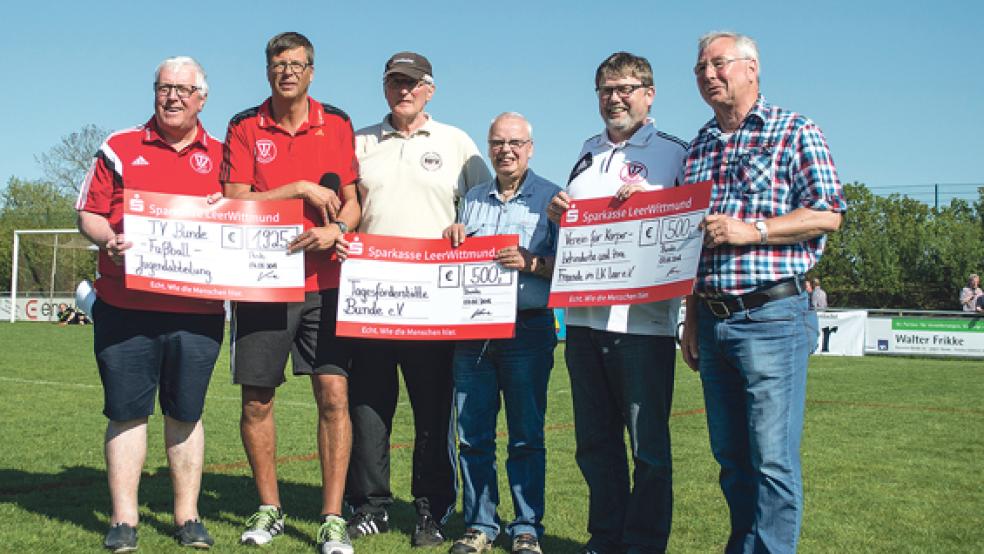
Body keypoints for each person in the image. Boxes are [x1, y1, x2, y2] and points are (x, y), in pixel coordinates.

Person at [680, 31, 847, 553]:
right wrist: (689, 314)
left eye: (718, 63)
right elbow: (691, 242)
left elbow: (828, 213)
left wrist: (752, 230)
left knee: (772, 459)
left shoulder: (795, 130)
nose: (708, 73)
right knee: (731, 459)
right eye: (700, 67)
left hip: (772, 314)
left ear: (752, 69)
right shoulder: (700, 144)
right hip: (711, 317)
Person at [76, 56, 224, 552]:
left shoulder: (225, 156)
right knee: (126, 412)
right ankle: (124, 520)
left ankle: (188, 517)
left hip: (198, 312)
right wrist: (108, 238)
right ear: (154, 91)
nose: (173, 97)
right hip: (125, 306)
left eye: (184, 89)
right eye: (165, 87)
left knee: (186, 413)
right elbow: (89, 214)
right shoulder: (118, 146)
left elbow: (247, 220)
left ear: (202, 97)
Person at [220, 32, 360, 554]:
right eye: (279, 64)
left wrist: (337, 232)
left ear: (312, 71)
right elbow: (235, 201)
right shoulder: (243, 125)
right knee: (257, 400)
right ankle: (270, 507)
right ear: (267, 70)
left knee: (334, 395)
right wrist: (299, 187)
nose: (288, 72)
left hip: (326, 284)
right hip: (262, 282)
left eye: (297, 64)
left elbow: (352, 201)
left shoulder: (339, 122)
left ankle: (331, 517)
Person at [345, 51, 490, 548]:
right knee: (368, 408)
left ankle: (431, 509)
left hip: (433, 305)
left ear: (430, 88)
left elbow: (486, 208)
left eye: (411, 83)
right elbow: (344, 208)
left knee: (432, 411)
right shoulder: (360, 141)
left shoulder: (457, 143)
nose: (402, 90)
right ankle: (370, 506)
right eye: (394, 82)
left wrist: (464, 228)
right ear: (384, 87)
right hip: (370, 300)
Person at [546, 52, 688, 554]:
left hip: (643, 326)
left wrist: (652, 200)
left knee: (647, 447)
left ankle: (645, 544)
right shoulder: (585, 153)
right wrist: (559, 212)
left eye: (627, 88)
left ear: (649, 94)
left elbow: (689, 231)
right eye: (606, 89)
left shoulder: (674, 153)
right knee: (595, 442)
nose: (615, 97)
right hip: (582, 323)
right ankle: (604, 538)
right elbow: (568, 235)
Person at [443, 113, 559, 554]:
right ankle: (479, 526)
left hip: (526, 331)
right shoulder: (472, 199)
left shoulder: (551, 198)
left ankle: (526, 527)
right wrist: (452, 235)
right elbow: (458, 259)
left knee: (526, 435)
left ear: (531, 147)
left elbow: (570, 268)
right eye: (497, 142)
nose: (505, 150)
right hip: (472, 333)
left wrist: (531, 263)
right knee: (473, 436)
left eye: (515, 142)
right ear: (489, 148)